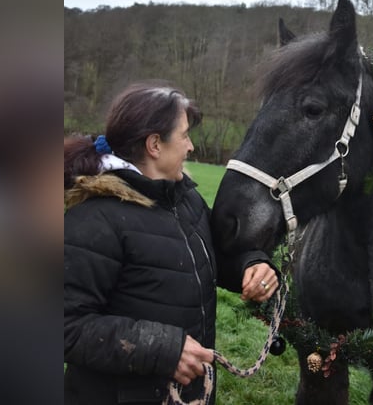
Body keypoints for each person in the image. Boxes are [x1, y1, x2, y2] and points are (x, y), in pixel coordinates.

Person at [64, 82, 278, 405]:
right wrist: (164, 348)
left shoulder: (185, 199)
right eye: (184, 135)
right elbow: (67, 325)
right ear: (154, 145)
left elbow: (214, 256)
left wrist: (253, 265)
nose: (191, 147)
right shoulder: (94, 219)